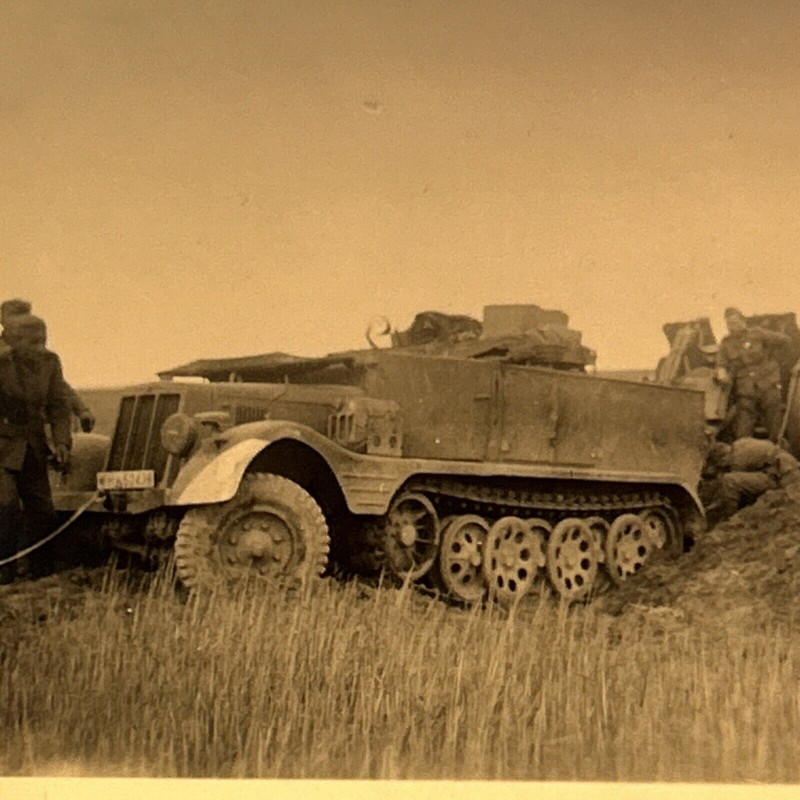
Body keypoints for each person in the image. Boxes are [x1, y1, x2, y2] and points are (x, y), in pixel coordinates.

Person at [0, 314, 72, 581]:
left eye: (43, 341)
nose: (41, 348)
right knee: (5, 506)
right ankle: (4, 572)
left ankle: (40, 574)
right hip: (2, 446)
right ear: (14, 341)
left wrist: (62, 441)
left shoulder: (50, 362)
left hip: (33, 446)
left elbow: (59, 404)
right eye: (33, 343)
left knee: (44, 512)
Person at [0, 298, 95, 432]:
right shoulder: (6, 354)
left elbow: (58, 386)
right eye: (15, 316)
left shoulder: (38, 353)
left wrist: (82, 410)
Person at [715, 307, 791, 442]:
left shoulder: (758, 334)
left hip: (768, 385)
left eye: (734, 323)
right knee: (742, 435)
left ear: (742, 321)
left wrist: (776, 363)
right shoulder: (726, 343)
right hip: (746, 391)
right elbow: (721, 363)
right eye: (729, 324)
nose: (731, 326)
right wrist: (721, 372)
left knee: (776, 429)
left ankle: (778, 451)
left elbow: (785, 341)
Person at [699, 436, 800, 525]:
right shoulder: (740, 444)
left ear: (722, 459)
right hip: (784, 470)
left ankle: (729, 520)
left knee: (729, 481)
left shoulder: (737, 460)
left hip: (781, 476)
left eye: (720, 466)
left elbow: (733, 489)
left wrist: (716, 506)